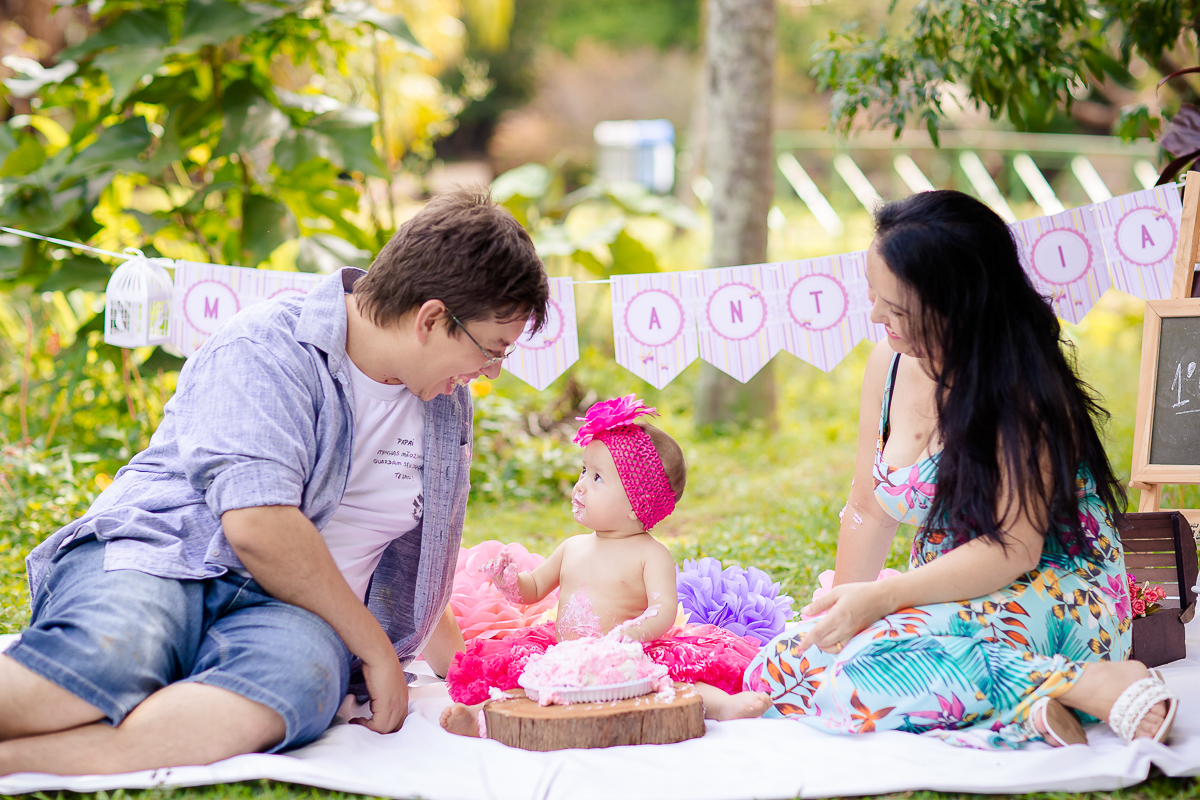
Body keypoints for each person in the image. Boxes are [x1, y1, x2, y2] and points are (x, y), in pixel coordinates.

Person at [0, 187, 549, 775]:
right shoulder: (267, 344)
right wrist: (373, 649)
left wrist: (462, 673)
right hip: (169, 555)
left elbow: (409, 551)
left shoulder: (443, 401)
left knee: (297, 688)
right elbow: (258, 524)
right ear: (432, 319)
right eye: (491, 350)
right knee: (113, 656)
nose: (490, 371)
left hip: (295, 614)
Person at [747, 190, 1178, 748]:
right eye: (874, 296)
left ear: (956, 303)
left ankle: (1092, 680)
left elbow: (1012, 550)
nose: (876, 316)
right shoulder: (891, 362)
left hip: (1054, 594)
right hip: (944, 597)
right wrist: (844, 613)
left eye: (896, 307)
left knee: (862, 674)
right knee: (778, 669)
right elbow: (868, 510)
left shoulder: (1019, 389)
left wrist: (882, 600)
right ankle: (1034, 703)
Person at [439, 395, 770, 735]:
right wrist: (510, 581)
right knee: (525, 682)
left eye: (597, 478)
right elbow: (533, 589)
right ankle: (480, 716)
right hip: (563, 655)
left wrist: (629, 636)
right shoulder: (573, 547)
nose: (580, 484)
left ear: (635, 504)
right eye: (584, 470)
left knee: (672, 680)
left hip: (626, 657)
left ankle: (721, 706)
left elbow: (663, 608)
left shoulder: (650, 554)